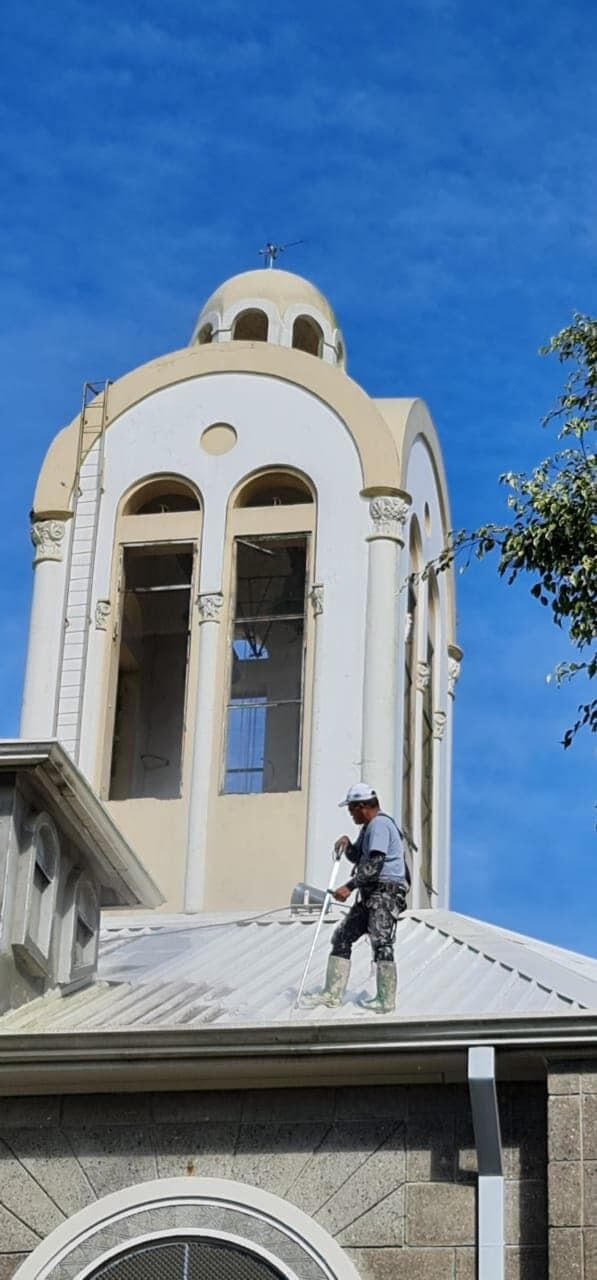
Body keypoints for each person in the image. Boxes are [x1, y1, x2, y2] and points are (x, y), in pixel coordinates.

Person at [304, 783, 409, 1013]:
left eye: (352, 809)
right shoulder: (369, 828)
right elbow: (360, 858)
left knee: (381, 942)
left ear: (362, 806)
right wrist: (348, 845)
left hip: (385, 894)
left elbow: (375, 864)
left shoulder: (380, 825)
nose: (351, 814)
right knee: (343, 936)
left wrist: (349, 887)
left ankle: (385, 999)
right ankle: (332, 993)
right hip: (371, 894)